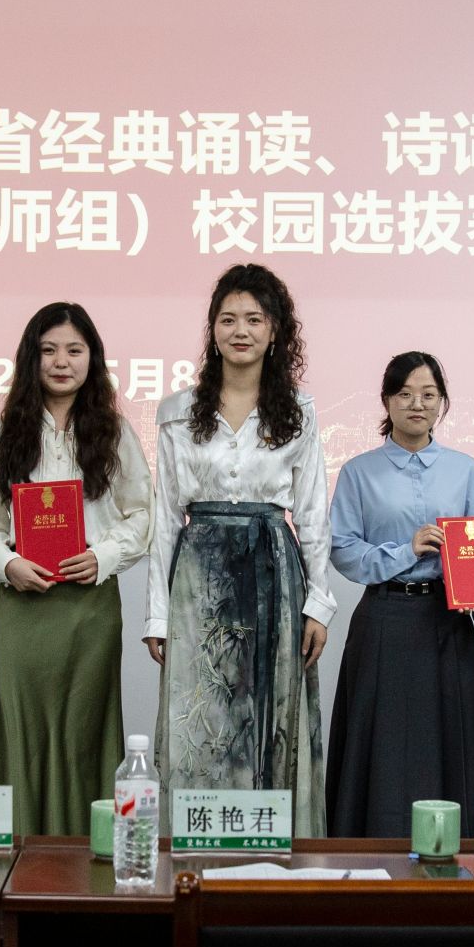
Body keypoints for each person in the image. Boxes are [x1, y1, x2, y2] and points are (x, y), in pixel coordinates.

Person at [145, 263, 335, 837]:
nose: (240, 330)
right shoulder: (177, 411)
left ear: (275, 331)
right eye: (228, 319)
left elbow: (312, 514)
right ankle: (198, 852)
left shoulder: (298, 410)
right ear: (213, 330)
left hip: (274, 574)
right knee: (202, 720)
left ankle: (269, 858)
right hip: (198, 581)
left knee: (268, 720)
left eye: (254, 319)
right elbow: (164, 517)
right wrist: (157, 614)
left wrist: (318, 604)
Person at [0, 303, 151, 835]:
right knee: (20, 736)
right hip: (22, 610)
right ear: (32, 359)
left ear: (93, 358)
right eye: (48, 350)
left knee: (84, 734)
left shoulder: (114, 433)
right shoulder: (4, 434)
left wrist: (104, 557)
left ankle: (88, 857)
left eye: (74, 350)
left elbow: (144, 515)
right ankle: (19, 859)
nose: (61, 362)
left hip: (89, 608)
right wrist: (8, 563)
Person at [325, 350, 474, 837]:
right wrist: (404, 551)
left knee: (449, 739)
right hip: (385, 618)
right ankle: (372, 848)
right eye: (405, 394)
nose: (417, 404)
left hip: (447, 622)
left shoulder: (466, 470)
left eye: (429, 395)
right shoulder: (358, 471)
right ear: (386, 400)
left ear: (442, 402)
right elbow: (343, 550)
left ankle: (449, 850)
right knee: (383, 743)